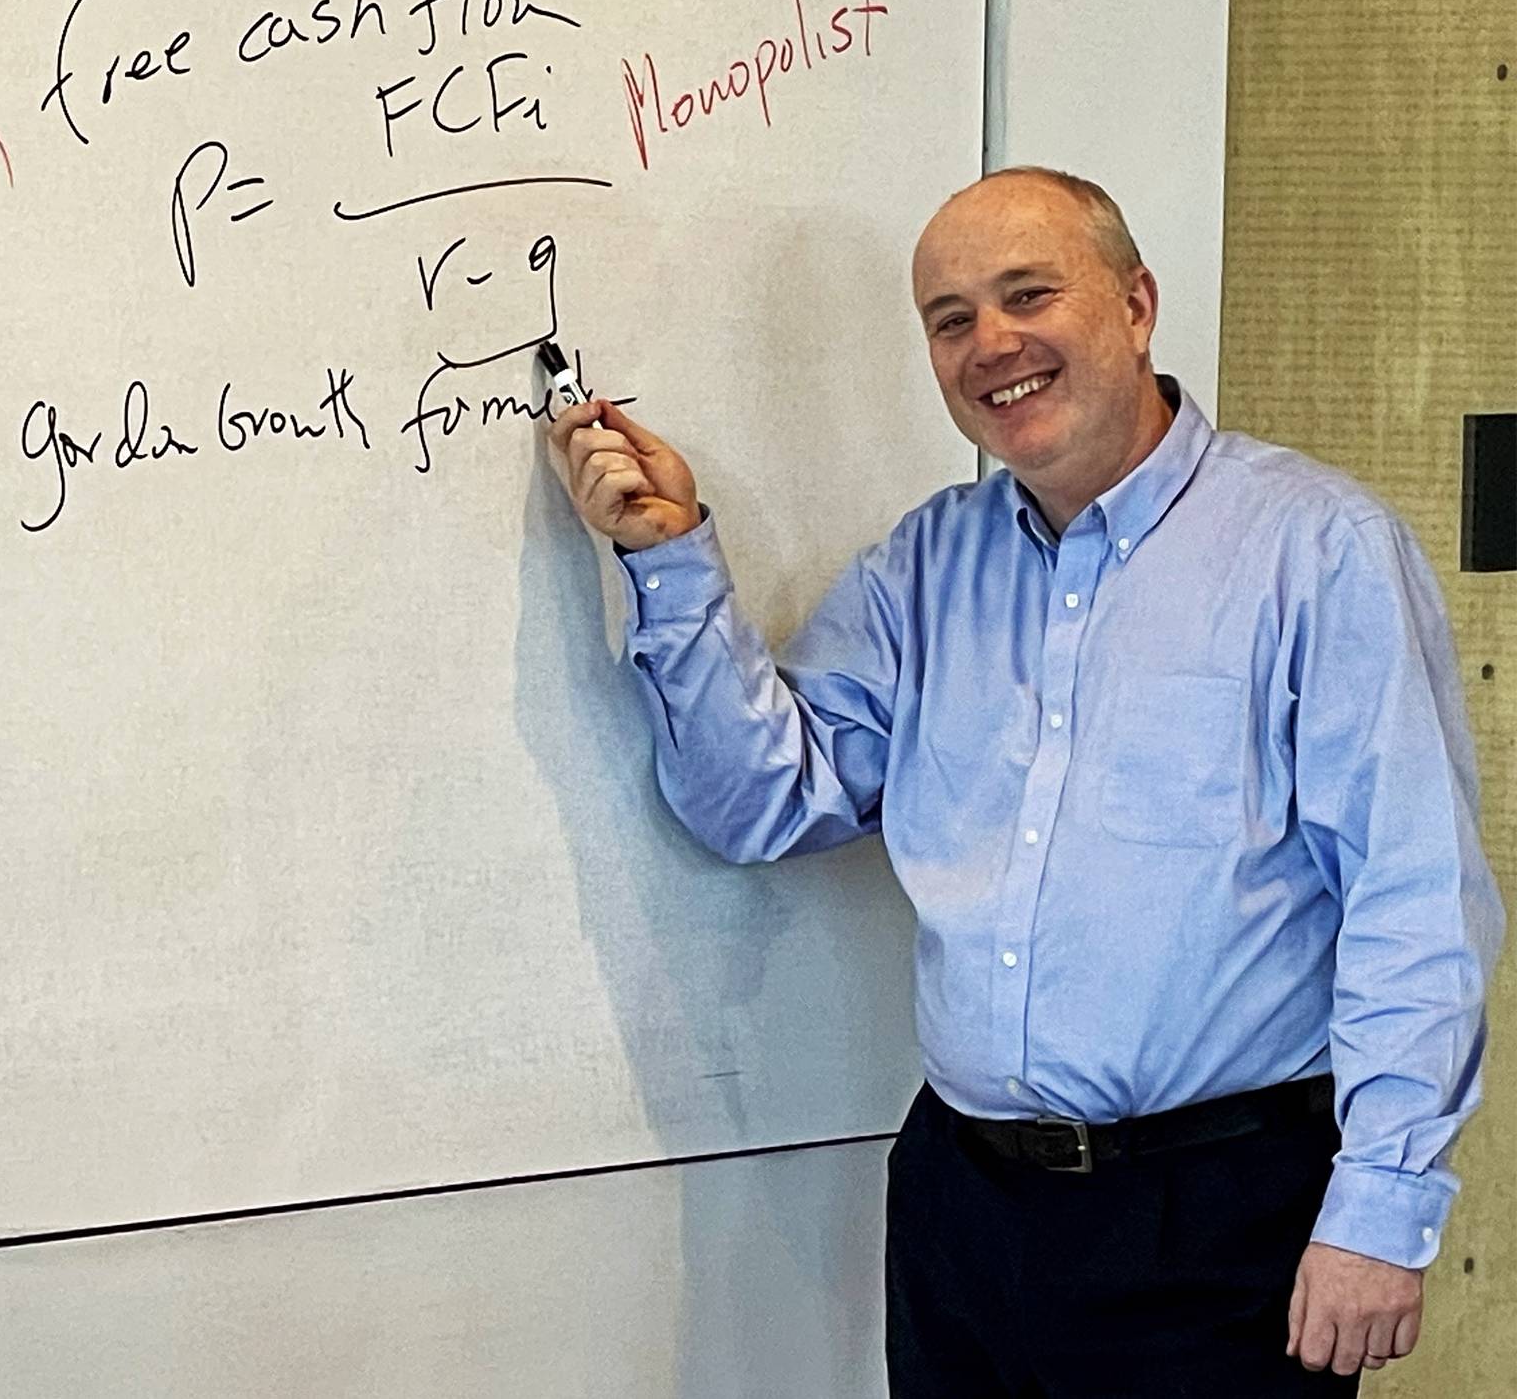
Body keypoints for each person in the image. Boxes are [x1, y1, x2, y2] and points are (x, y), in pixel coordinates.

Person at [546, 167, 1504, 1396]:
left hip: (1217, 1223)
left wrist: (1378, 1207)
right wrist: (668, 560)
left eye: (1027, 295)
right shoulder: (923, 566)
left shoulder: (1316, 552)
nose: (989, 344)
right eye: (949, 319)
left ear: (1134, 304)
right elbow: (760, 804)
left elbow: (1410, 900)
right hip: (962, 1212)